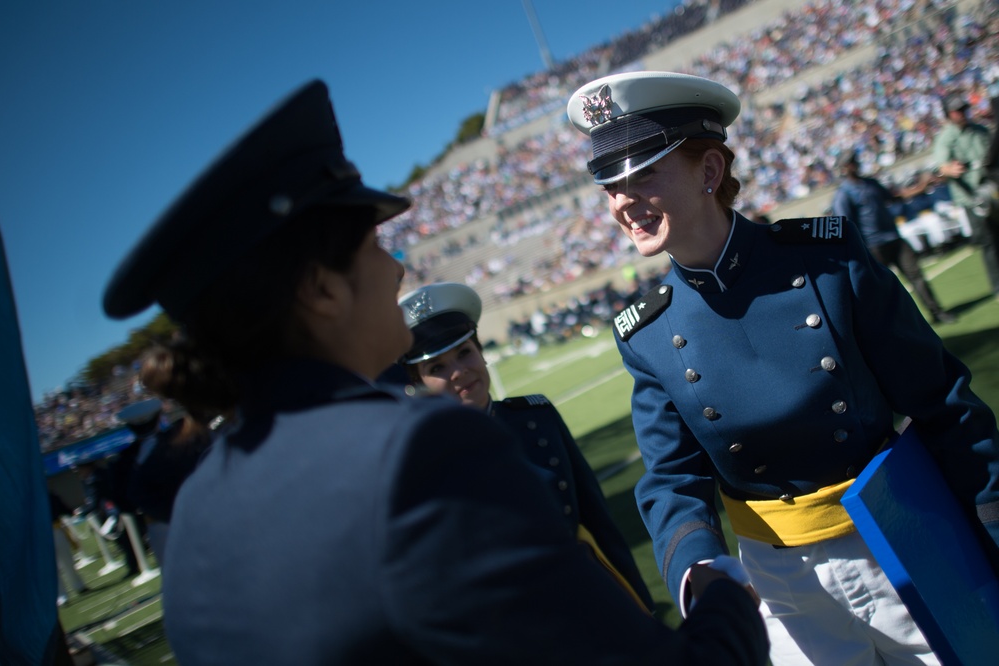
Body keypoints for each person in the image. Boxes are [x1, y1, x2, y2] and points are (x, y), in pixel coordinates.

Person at [101, 79, 768, 665]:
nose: (396, 270)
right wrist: (722, 596)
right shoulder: (418, 452)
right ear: (322, 292)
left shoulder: (196, 512)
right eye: (373, 245)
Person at [566, 70, 999, 665]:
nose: (622, 203)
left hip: (899, 537)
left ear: (710, 172)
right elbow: (671, 479)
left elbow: (941, 401)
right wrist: (698, 570)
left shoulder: (827, 263)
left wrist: (992, 517)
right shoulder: (646, 334)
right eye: (609, 186)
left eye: (642, 174)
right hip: (776, 584)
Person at [397, 281, 654, 612]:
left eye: (464, 352)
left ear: (481, 353)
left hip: (594, 597)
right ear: (417, 384)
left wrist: (641, 605)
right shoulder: (423, 462)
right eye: (437, 368)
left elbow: (597, 521)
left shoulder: (536, 417)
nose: (459, 371)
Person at [831, 151, 955, 324]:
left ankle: (937, 312)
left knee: (916, 275)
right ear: (844, 168)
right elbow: (845, 224)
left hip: (894, 238)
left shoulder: (870, 183)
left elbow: (894, 197)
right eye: (850, 162)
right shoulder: (844, 194)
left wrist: (920, 187)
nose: (854, 164)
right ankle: (897, 326)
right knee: (883, 289)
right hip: (874, 246)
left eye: (854, 160)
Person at [116, 394, 213, 568]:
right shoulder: (183, 440)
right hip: (199, 513)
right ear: (158, 417)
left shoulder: (124, 461)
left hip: (160, 524)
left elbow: (127, 499)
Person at [932, 91, 999, 297]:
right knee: (989, 242)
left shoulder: (979, 130)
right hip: (972, 199)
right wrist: (948, 169)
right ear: (948, 114)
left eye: (964, 109)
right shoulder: (946, 138)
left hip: (991, 190)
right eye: (957, 110)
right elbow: (941, 165)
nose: (963, 113)